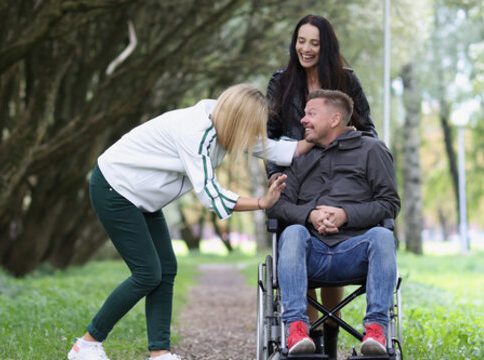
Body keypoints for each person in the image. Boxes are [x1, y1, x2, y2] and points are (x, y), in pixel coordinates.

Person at [69, 84, 311, 360]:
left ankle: (159, 353)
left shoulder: (225, 120)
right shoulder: (196, 132)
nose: (252, 137)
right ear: (238, 121)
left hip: (144, 197)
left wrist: (322, 137)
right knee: (147, 273)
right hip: (116, 187)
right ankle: (87, 343)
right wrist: (260, 202)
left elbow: (276, 150)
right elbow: (211, 196)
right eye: (251, 128)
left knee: (166, 269)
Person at [264, 15, 377, 353]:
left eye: (314, 42)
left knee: (334, 237)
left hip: (341, 177)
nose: (306, 48)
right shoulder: (280, 83)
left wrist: (349, 140)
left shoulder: (347, 80)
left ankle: (329, 336)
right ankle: (307, 338)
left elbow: (368, 130)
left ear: (325, 46)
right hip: (296, 176)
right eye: (301, 41)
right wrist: (274, 173)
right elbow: (267, 137)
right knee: (300, 240)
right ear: (294, 43)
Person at [266, 89, 400, 356]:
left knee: (383, 236)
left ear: (334, 119)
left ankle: (376, 330)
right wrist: (310, 216)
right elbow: (278, 204)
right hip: (309, 252)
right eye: (304, 114)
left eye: (311, 113)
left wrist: (345, 214)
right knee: (292, 232)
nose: (303, 120)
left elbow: (390, 204)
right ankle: (295, 329)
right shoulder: (301, 156)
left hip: (354, 252)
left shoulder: (372, 150)